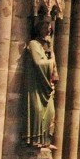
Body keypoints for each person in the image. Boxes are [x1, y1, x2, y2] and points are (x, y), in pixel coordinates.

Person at [23, 15, 59, 149]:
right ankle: (35, 140)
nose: (48, 31)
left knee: (50, 111)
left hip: (45, 88)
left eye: (49, 29)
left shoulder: (45, 48)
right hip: (36, 88)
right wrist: (51, 61)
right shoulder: (33, 44)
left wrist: (51, 55)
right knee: (38, 110)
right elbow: (38, 63)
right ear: (39, 29)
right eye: (45, 28)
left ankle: (45, 141)